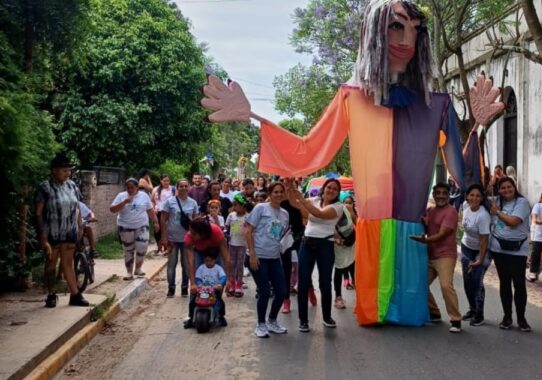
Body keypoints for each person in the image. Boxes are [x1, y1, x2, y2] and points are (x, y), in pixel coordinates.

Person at [200, 0, 504, 326]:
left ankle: (411, 310)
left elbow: (462, 175)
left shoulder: (436, 105)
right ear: (373, 34)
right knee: (377, 302)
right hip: (373, 224)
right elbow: (309, 150)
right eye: (396, 27)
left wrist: (479, 126)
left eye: (416, 30)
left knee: (405, 299)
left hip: (410, 226)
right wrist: (254, 117)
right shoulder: (352, 97)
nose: (407, 41)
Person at [287, 178, 344, 332]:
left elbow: (318, 214)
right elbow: (294, 203)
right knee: (303, 282)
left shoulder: (338, 207)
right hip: (307, 244)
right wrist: (290, 187)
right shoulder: (314, 200)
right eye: (329, 187)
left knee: (325, 282)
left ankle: (326, 317)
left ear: (338, 193)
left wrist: (300, 198)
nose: (331, 190)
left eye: (334, 189)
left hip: (325, 245)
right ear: (323, 188)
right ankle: (303, 321)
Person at [35, 153, 89, 307]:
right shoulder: (45, 187)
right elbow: (39, 213)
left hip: (69, 231)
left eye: (69, 170)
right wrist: (43, 235)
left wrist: (80, 226)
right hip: (52, 233)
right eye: (64, 170)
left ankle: (75, 295)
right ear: (54, 171)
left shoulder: (72, 185)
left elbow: (77, 206)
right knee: (51, 264)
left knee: (68, 263)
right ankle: (51, 294)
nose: (68, 173)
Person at [411, 183, 462, 333]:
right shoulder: (430, 210)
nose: (440, 196)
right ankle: (434, 312)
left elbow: (442, 234)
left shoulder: (451, 212)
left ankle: (455, 319)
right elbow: (424, 225)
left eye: (444, 193)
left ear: (448, 195)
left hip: (445, 256)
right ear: (433, 195)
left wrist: (425, 240)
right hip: (430, 255)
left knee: (446, 286)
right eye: (437, 193)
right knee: (420, 284)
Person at [245, 182, 290, 338]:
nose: (278, 194)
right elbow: (248, 230)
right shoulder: (260, 208)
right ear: (270, 193)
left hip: (274, 257)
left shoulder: (285, 214)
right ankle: (261, 324)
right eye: (275, 192)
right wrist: (252, 254)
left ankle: (272, 321)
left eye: (281, 192)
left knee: (282, 291)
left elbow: (280, 235)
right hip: (258, 257)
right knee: (264, 291)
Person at [488, 177, 532, 332]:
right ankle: (507, 317)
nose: (506, 190)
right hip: (499, 250)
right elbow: (475, 197)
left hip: (518, 251)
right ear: (498, 190)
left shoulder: (522, 203)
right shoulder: (494, 201)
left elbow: (514, 221)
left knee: (519, 284)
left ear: (514, 187)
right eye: (503, 188)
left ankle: (521, 319)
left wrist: (497, 213)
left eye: (509, 187)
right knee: (504, 283)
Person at [183, 217, 233, 328]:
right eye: (190, 231)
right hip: (199, 252)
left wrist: (228, 279)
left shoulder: (216, 233)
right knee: (195, 289)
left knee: (218, 281)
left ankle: (220, 314)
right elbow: (191, 262)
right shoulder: (189, 238)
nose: (191, 234)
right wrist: (193, 283)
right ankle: (192, 316)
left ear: (203, 233)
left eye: (194, 233)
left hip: (215, 253)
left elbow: (226, 258)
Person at [110, 178, 158, 280]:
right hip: (125, 226)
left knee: (142, 247)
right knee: (128, 249)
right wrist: (124, 202)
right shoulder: (121, 196)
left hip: (141, 225)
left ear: (137, 187)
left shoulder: (144, 196)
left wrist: (155, 222)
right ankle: (129, 272)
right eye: (128, 188)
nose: (130, 190)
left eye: (132, 187)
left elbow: (150, 210)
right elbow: (112, 209)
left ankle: (138, 268)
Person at [459, 184, 491, 326]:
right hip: (466, 248)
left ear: (482, 198)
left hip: (481, 251)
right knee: (467, 282)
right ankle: (472, 309)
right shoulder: (465, 205)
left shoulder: (483, 215)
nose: (474, 198)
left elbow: (484, 240)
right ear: (467, 196)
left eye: (478, 196)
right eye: (472, 195)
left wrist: (480, 259)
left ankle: (479, 314)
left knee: (477, 282)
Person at [161, 179, 198, 297]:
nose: (183, 188)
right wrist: (164, 236)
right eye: (181, 186)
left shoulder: (193, 203)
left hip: (187, 240)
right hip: (172, 239)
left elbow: (196, 221)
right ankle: (171, 288)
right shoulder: (169, 202)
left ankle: (184, 288)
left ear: (189, 188)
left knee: (186, 265)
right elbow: (163, 219)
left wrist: (196, 238)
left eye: (186, 186)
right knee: (171, 264)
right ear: (177, 188)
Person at [280, 178, 307, 314]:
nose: (286, 186)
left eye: (290, 184)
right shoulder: (276, 203)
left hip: (299, 239)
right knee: (286, 269)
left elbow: (306, 217)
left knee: (303, 268)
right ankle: (286, 301)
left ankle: (310, 290)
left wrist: (295, 197)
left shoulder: (299, 203)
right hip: (284, 241)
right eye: (284, 183)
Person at [188, 252, 227, 327]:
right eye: (207, 261)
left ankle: (221, 317)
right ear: (204, 260)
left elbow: (223, 277)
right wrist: (199, 284)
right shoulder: (201, 268)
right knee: (193, 302)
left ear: (214, 260)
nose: (209, 263)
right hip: (202, 290)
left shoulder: (218, 268)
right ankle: (191, 318)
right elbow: (198, 277)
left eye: (210, 261)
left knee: (220, 302)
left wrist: (220, 284)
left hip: (214, 290)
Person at [334, 192, 357, 309]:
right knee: (339, 268)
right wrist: (337, 238)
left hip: (351, 243)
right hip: (339, 245)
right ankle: (338, 297)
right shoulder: (332, 209)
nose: (347, 204)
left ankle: (355, 285)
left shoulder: (348, 210)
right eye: (345, 202)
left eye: (350, 202)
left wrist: (351, 211)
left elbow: (356, 222)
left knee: (353, 264)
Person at [225, 193, 251, 297]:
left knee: (240, 265)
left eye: (236, 205)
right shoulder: (231, 216)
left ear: (243, 205)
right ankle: (231, 284)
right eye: (233, 205)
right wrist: (226, 234)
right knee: (232, 264)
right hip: (232, 244)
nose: (234, 207)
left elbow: (251, 230)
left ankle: (239, 285)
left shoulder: (248, 216)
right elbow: (227, 227)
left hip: (242, 244)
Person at [151, 174, 175, 256]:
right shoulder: (156, 189)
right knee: (157, 230)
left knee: (167, 230)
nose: (166, 182)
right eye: (164, 180)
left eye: (167, 180)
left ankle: (167, 247)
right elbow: (152, 201)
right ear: (161, 181)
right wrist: (153, 209)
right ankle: (159, 247)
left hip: (169, 212)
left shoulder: (173, 189)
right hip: (158, 212)